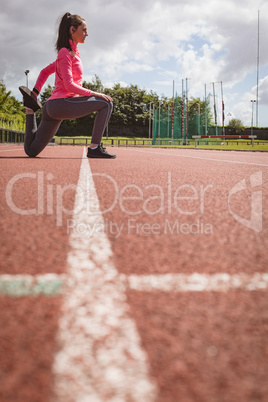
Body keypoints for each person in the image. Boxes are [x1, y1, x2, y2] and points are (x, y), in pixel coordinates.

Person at [19, 12, 116, 159]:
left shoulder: (68, 53)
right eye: (83, 30)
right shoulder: (65, 53)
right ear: (72, 30)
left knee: (32, 151)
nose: (86, 34)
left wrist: (34, 94)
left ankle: (29, 110)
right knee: (105, 103)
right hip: (61, 104)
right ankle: (95, 148)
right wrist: (96, 94)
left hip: (53, 107)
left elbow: (44, 72)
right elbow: (69, 85)